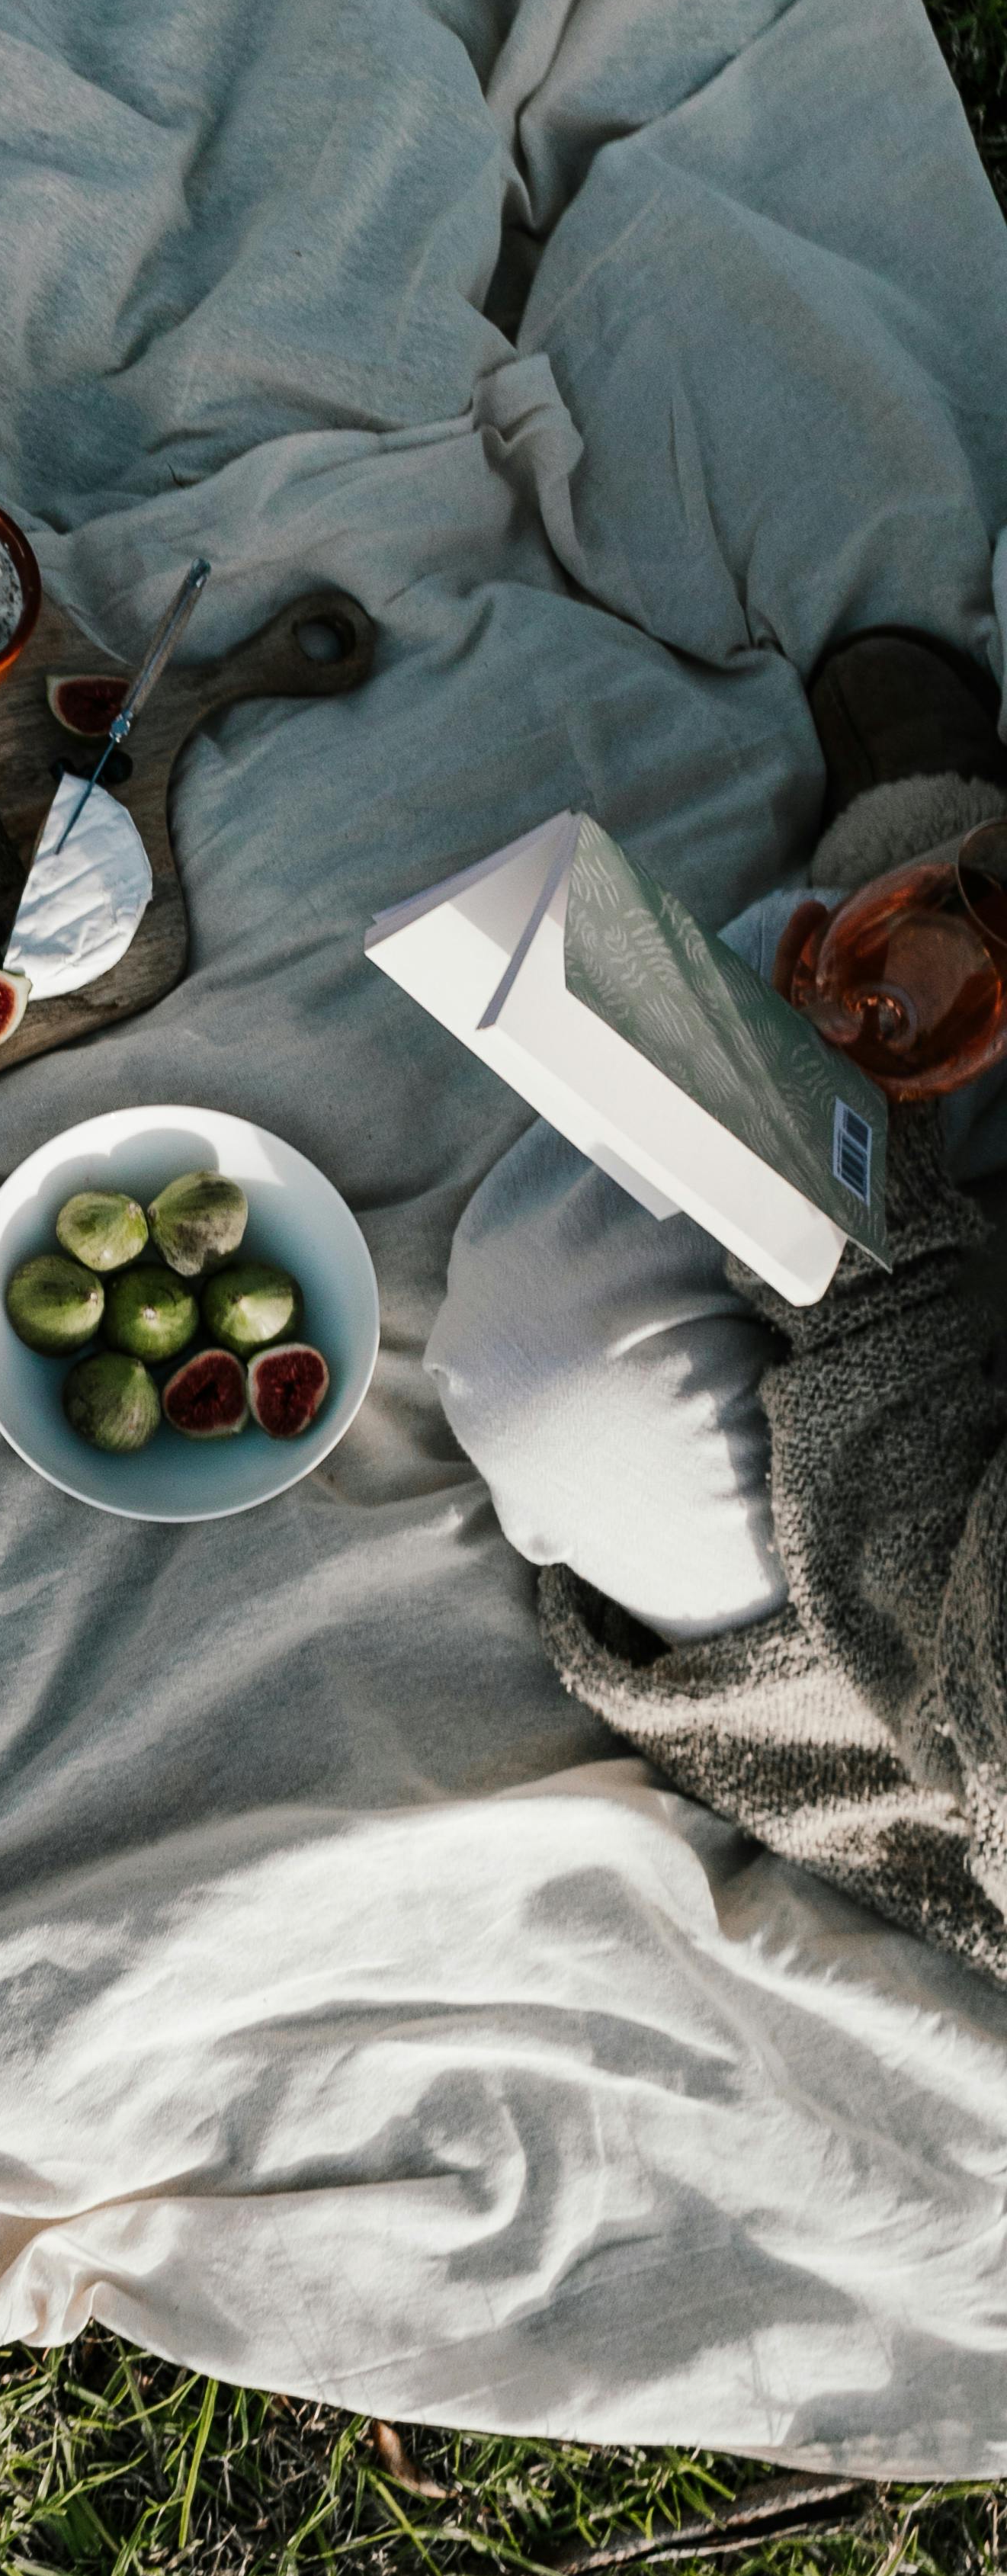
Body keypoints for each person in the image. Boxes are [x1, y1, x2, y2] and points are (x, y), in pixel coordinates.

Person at [429, 636, 1007, 1987]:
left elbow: (953, 1629)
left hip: (933, 1681)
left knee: (548, 1374)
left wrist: (887, 1263)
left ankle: (910, 856)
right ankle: (928, 862)